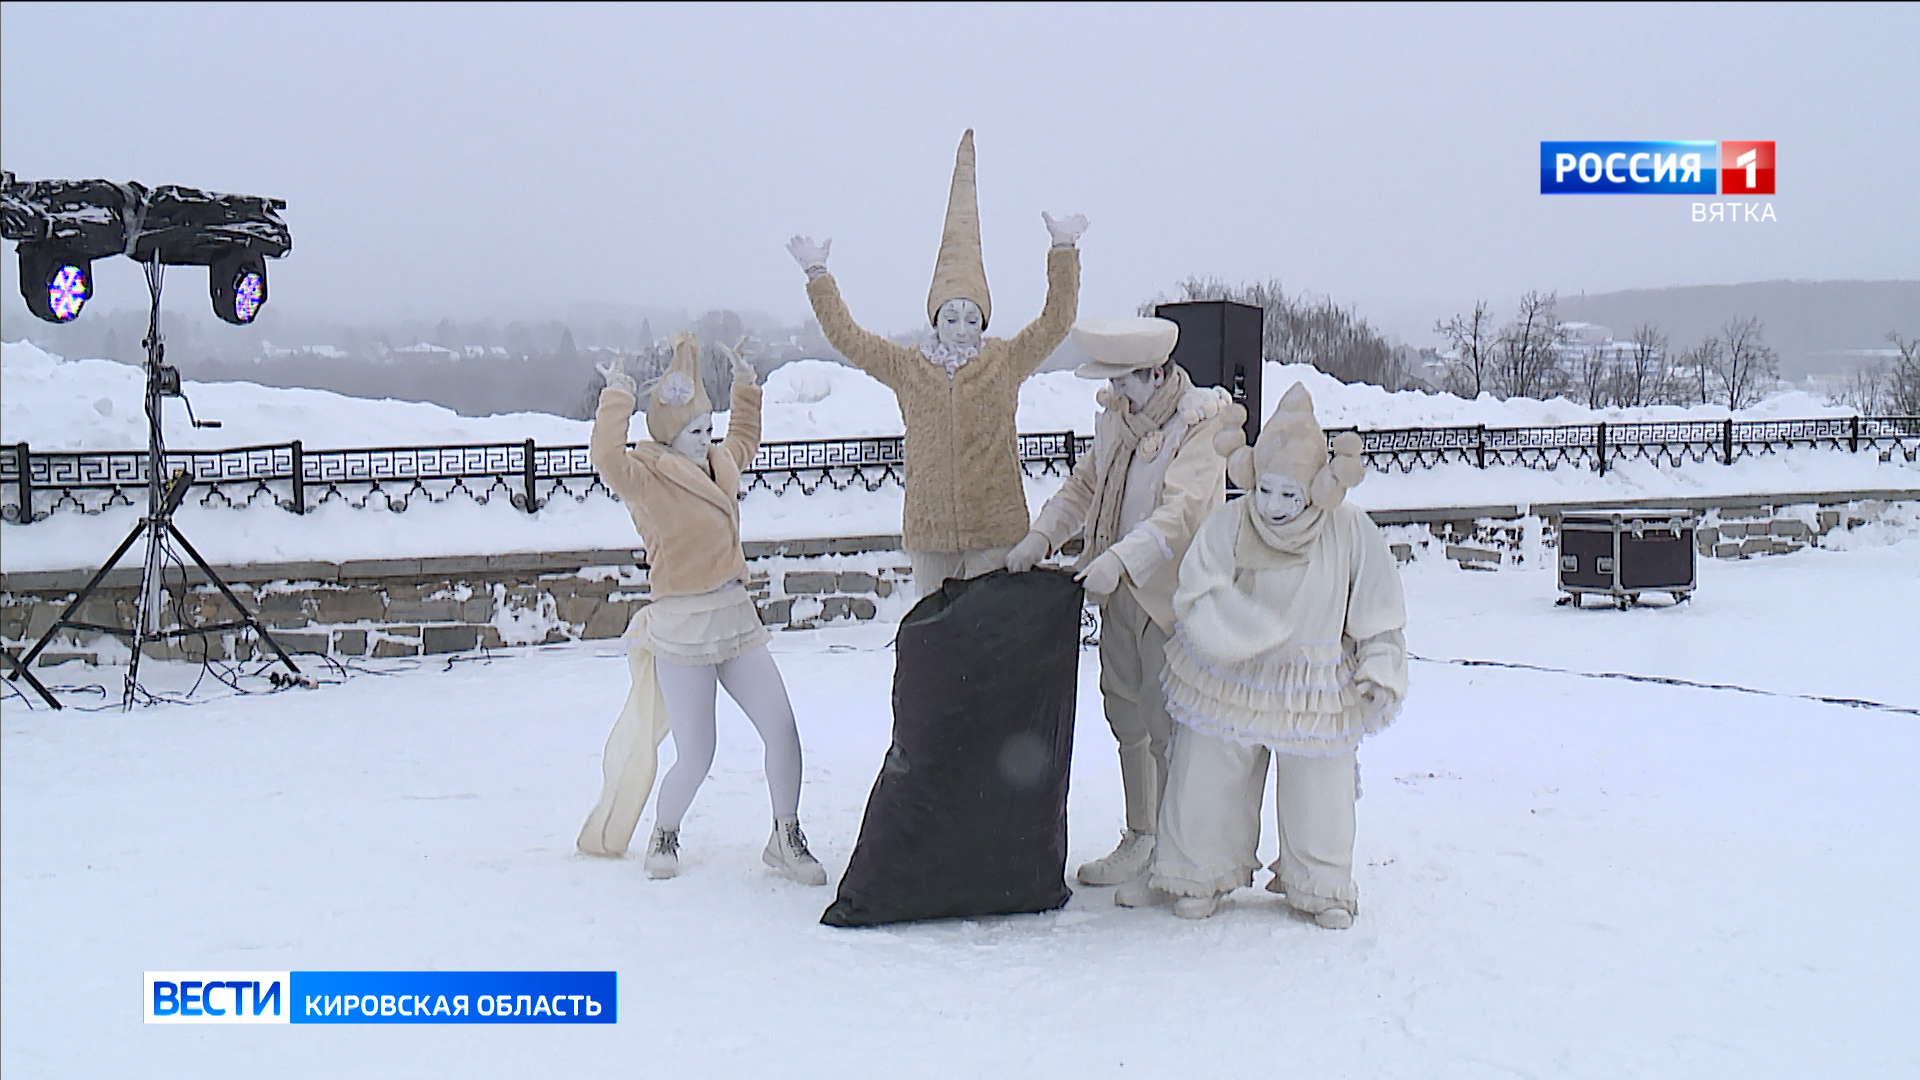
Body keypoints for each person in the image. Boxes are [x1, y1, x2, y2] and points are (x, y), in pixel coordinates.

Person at [1118, 383, 1407, 926]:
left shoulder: (1349, 530)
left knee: (1319, 788)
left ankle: (1320, 885)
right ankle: (1196, 871)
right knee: (1205, 773)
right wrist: (1233, 630)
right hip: (1231, 673)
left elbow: (1378, 605)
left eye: (1289, 495)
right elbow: (1198, 585)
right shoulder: (1231, 521)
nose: (1273, 507)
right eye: (1266, 491)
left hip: (1312, 683)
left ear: (1319, 490)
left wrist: (1378, 663)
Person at [787, 129, 1086, 599]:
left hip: (996, 531)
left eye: (972, 317)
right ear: (935, 319)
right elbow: (849, 338)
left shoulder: (1003, 361)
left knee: (988, 644)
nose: (962, 327)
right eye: (952, 315)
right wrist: (818, 276)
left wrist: (1063, 252)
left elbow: (1055, 322)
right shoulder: (908, 367)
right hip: (930, 537)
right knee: (934, 647)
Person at [576, 332, 826, 887]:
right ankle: (664, 832)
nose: (705, 440)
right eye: (694, 432)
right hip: (682, 625)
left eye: (707, 430)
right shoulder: (647, 475)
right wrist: (616, 394)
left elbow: (744, 437)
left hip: (734, 615)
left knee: (782, 729)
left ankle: (785, 834)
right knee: (698, 751)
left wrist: (745, 384)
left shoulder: (720, 462)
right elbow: (606, 459)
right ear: (669, 435)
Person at [1005, 317, 1237, 887]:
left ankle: (1179, 845)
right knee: (1124, 709)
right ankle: (1141, 836)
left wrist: (1116, 561)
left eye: (1125, 382)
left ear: (1155, 374)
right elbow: (1086, 486)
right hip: (1118, 596)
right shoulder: (1116, 418)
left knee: (1167, 721)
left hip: (1173, 597)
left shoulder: (1201, 425)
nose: (1115, 394)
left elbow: (1181, 514)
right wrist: (1043, 535)